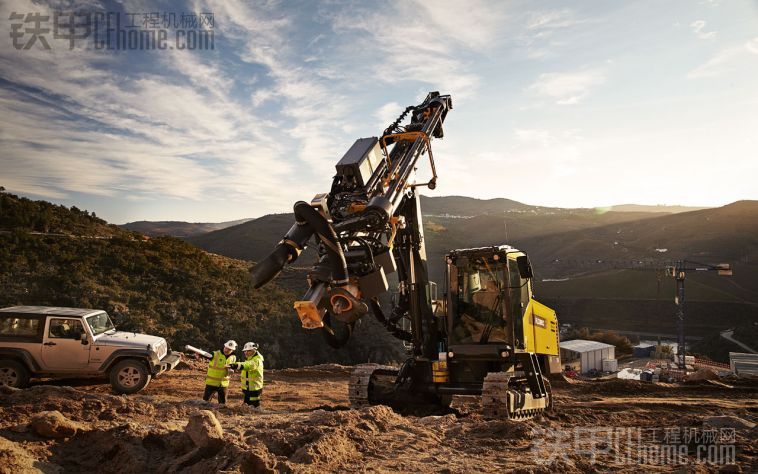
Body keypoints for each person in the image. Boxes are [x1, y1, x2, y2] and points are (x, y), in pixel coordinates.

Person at [230, 341, 264, 407]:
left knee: (254, 407)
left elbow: (248, 365)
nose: (246, 352)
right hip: (248, 388)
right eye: (245, 351)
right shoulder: (250, 359)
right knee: (247, 405)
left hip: (254, 389)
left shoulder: (256, 360)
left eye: (248, 351)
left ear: (254, 350)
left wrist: (236, 365)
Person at [203, 339, 237, 404]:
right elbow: (205, 355)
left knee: (223, 404)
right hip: (211, 383)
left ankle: (221, 414)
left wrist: (231, 370)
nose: (226, 350)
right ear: (224, 346)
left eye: (229, 349)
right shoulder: (215, 354)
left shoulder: (233, 357)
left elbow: (233, 367)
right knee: (205, 402)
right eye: (226, 348)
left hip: (223, 384)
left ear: (232, 350)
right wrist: (199, 354)